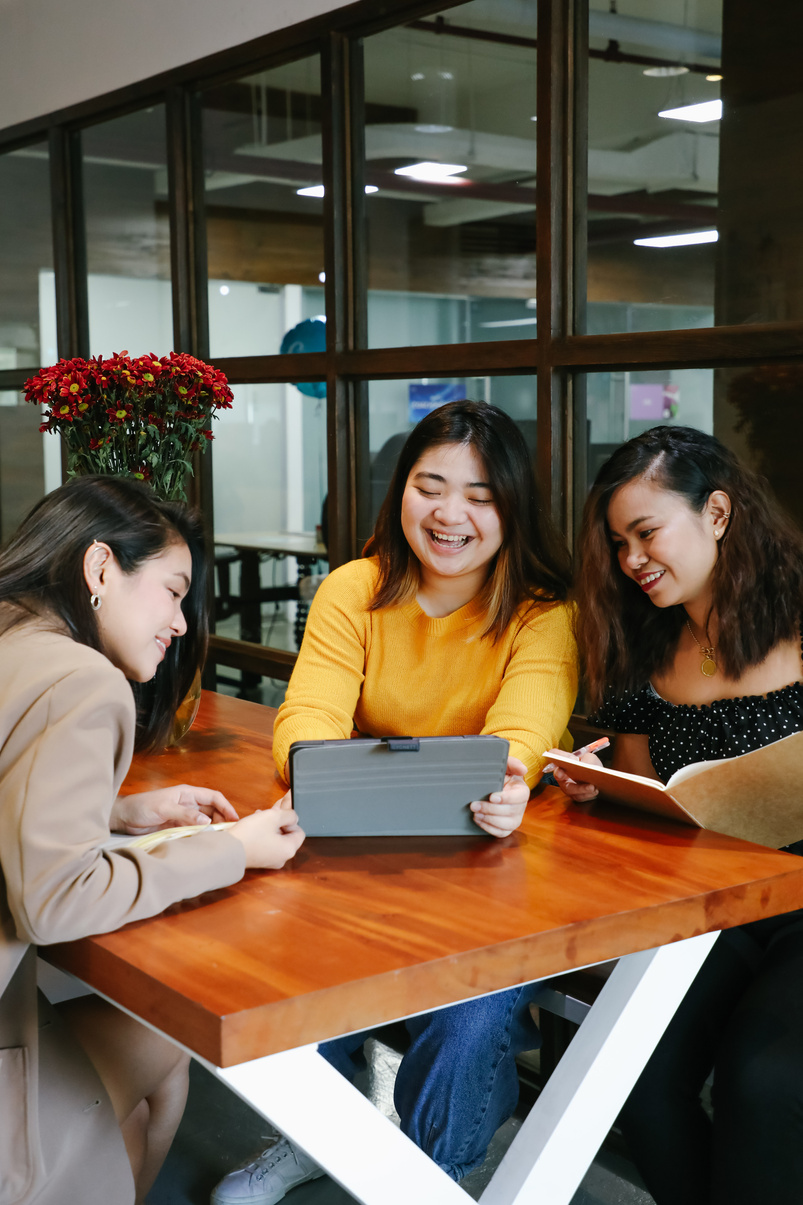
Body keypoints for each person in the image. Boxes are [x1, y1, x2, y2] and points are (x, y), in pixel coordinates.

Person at [212, 400, 578, 1204]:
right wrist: (318, 766)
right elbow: (307, 713)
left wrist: (510, 778)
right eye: (430, 486)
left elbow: (522, 731)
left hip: (487, 859)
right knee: (284, 949)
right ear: (401, 490)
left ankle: (430, 1175)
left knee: (469, 1013)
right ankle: (316, 1135)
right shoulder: (357, 587)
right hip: (361, 842)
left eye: (479, 495)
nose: (449, 514)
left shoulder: (543, 611)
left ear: (512, 507)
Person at [0, 475, 305, 1205]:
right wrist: (235, 849)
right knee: (167, 1048)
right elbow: (56, 902)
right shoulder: (83, 682)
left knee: (145, 1093)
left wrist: (116, 813)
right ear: (101, 567)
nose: (181, 623)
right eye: (172, 592)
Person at [551, 425, 803, 1205]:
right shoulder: (641, 648)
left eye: (646, 531)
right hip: (708, 907)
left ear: (717, 513)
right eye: (618, 542)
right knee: (628, 1071)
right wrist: (601, 789)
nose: (631, 558)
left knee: (762, 1079)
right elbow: (651, 800)